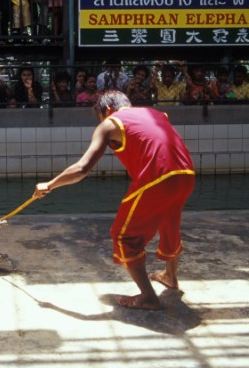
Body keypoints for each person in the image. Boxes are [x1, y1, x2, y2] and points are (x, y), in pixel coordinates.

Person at [33, 91, 195, 310]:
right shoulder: (155, 113)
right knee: (169, 222)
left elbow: (82, 169)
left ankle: (148, 296)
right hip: (186, 174)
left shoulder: (110, 122)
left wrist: (49, 185)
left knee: (123, 236)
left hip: (158, 178)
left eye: (101, 116)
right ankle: (170, 276)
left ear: (107, 110)